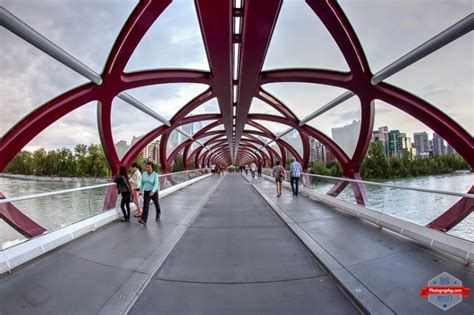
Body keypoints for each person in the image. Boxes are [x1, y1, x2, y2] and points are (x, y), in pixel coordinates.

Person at [139, 161, 161, 226]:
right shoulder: (144, 174)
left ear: (152, 168)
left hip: (154, 192)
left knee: (156, 204)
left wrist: (153, 191)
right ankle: (144, 220)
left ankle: (158, 213)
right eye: (147, 167)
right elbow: (142, 183)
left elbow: (156, 184)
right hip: (146, 192)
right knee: (145, 206)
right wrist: (140, 191)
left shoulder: (155, 175)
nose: (147, 168)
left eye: (149, 167)